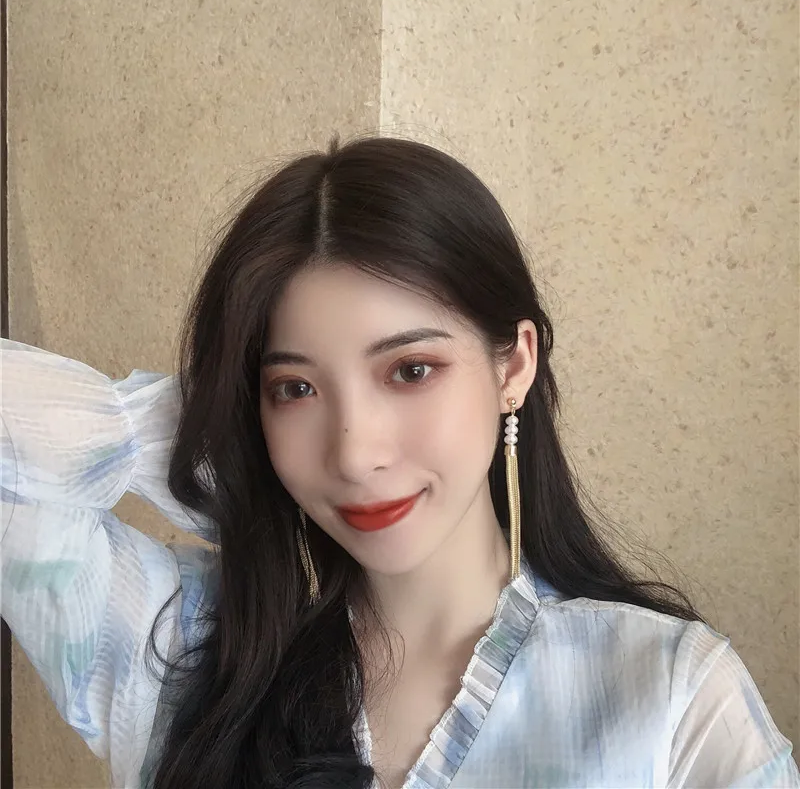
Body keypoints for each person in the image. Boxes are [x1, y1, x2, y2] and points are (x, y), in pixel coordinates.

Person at [1, 134, 797, 789]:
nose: (354, 452)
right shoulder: (183, 657)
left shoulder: (667, 696)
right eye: (294, 389)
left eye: (411, 370)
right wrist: (184, 435)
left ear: (514, 365)